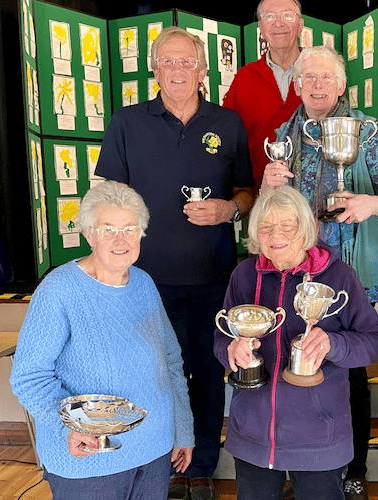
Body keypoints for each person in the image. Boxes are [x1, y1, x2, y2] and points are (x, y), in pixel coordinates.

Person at [95, 26, 254, 500]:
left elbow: (247, 190)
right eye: (169, 60)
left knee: (207, 371)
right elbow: (107, 197)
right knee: (151, 372)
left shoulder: (227, 123)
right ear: (154, 67)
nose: (178, 69)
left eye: (188, 61)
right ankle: (154, 464)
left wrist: (230, 209)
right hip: (143, 281)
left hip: (213, 277)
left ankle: (202, 467)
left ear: (204, 69)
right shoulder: (126, 122)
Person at [262, 45, 378, 500]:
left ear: (342, 85)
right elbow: (270, 211)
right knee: (290, 360)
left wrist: (371, 205)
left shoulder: (365, 132)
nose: (317, 85)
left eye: (327, 77)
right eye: (309, 77)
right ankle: (299, 463)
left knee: (350, 368)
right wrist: (268, 186)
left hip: (350, 271)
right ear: (297, 85)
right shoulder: (284, 134)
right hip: (294, 268)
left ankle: (354, 468)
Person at [9, 181, 195, 500]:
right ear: (88, 233)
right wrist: (68, 427)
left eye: (129, 229)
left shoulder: (144, 283)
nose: (120, 240)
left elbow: (171, 361)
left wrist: (182, 428)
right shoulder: (58, 291)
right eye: (108, 229)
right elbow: (28, 376)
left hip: (154, 450)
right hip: (90, 459)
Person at [213, 185, 378, 500]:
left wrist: (332, 344)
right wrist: (231, 350)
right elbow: (221, 335)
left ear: (306, 228)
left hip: (319, 437)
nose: (275, 234)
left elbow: (374, 342)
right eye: (265, 226)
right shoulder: (243, 276)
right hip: (253, 435)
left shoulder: (339, 277)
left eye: (287, 225)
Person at [222, 0, 304, 188]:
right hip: (260, 201)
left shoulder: (318, 73)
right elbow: (227, 139)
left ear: (300, 26)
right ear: (260, 27)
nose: (278, 23)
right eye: (269, 16)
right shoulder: (244, 78)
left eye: (287, 15)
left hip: (313, 203)